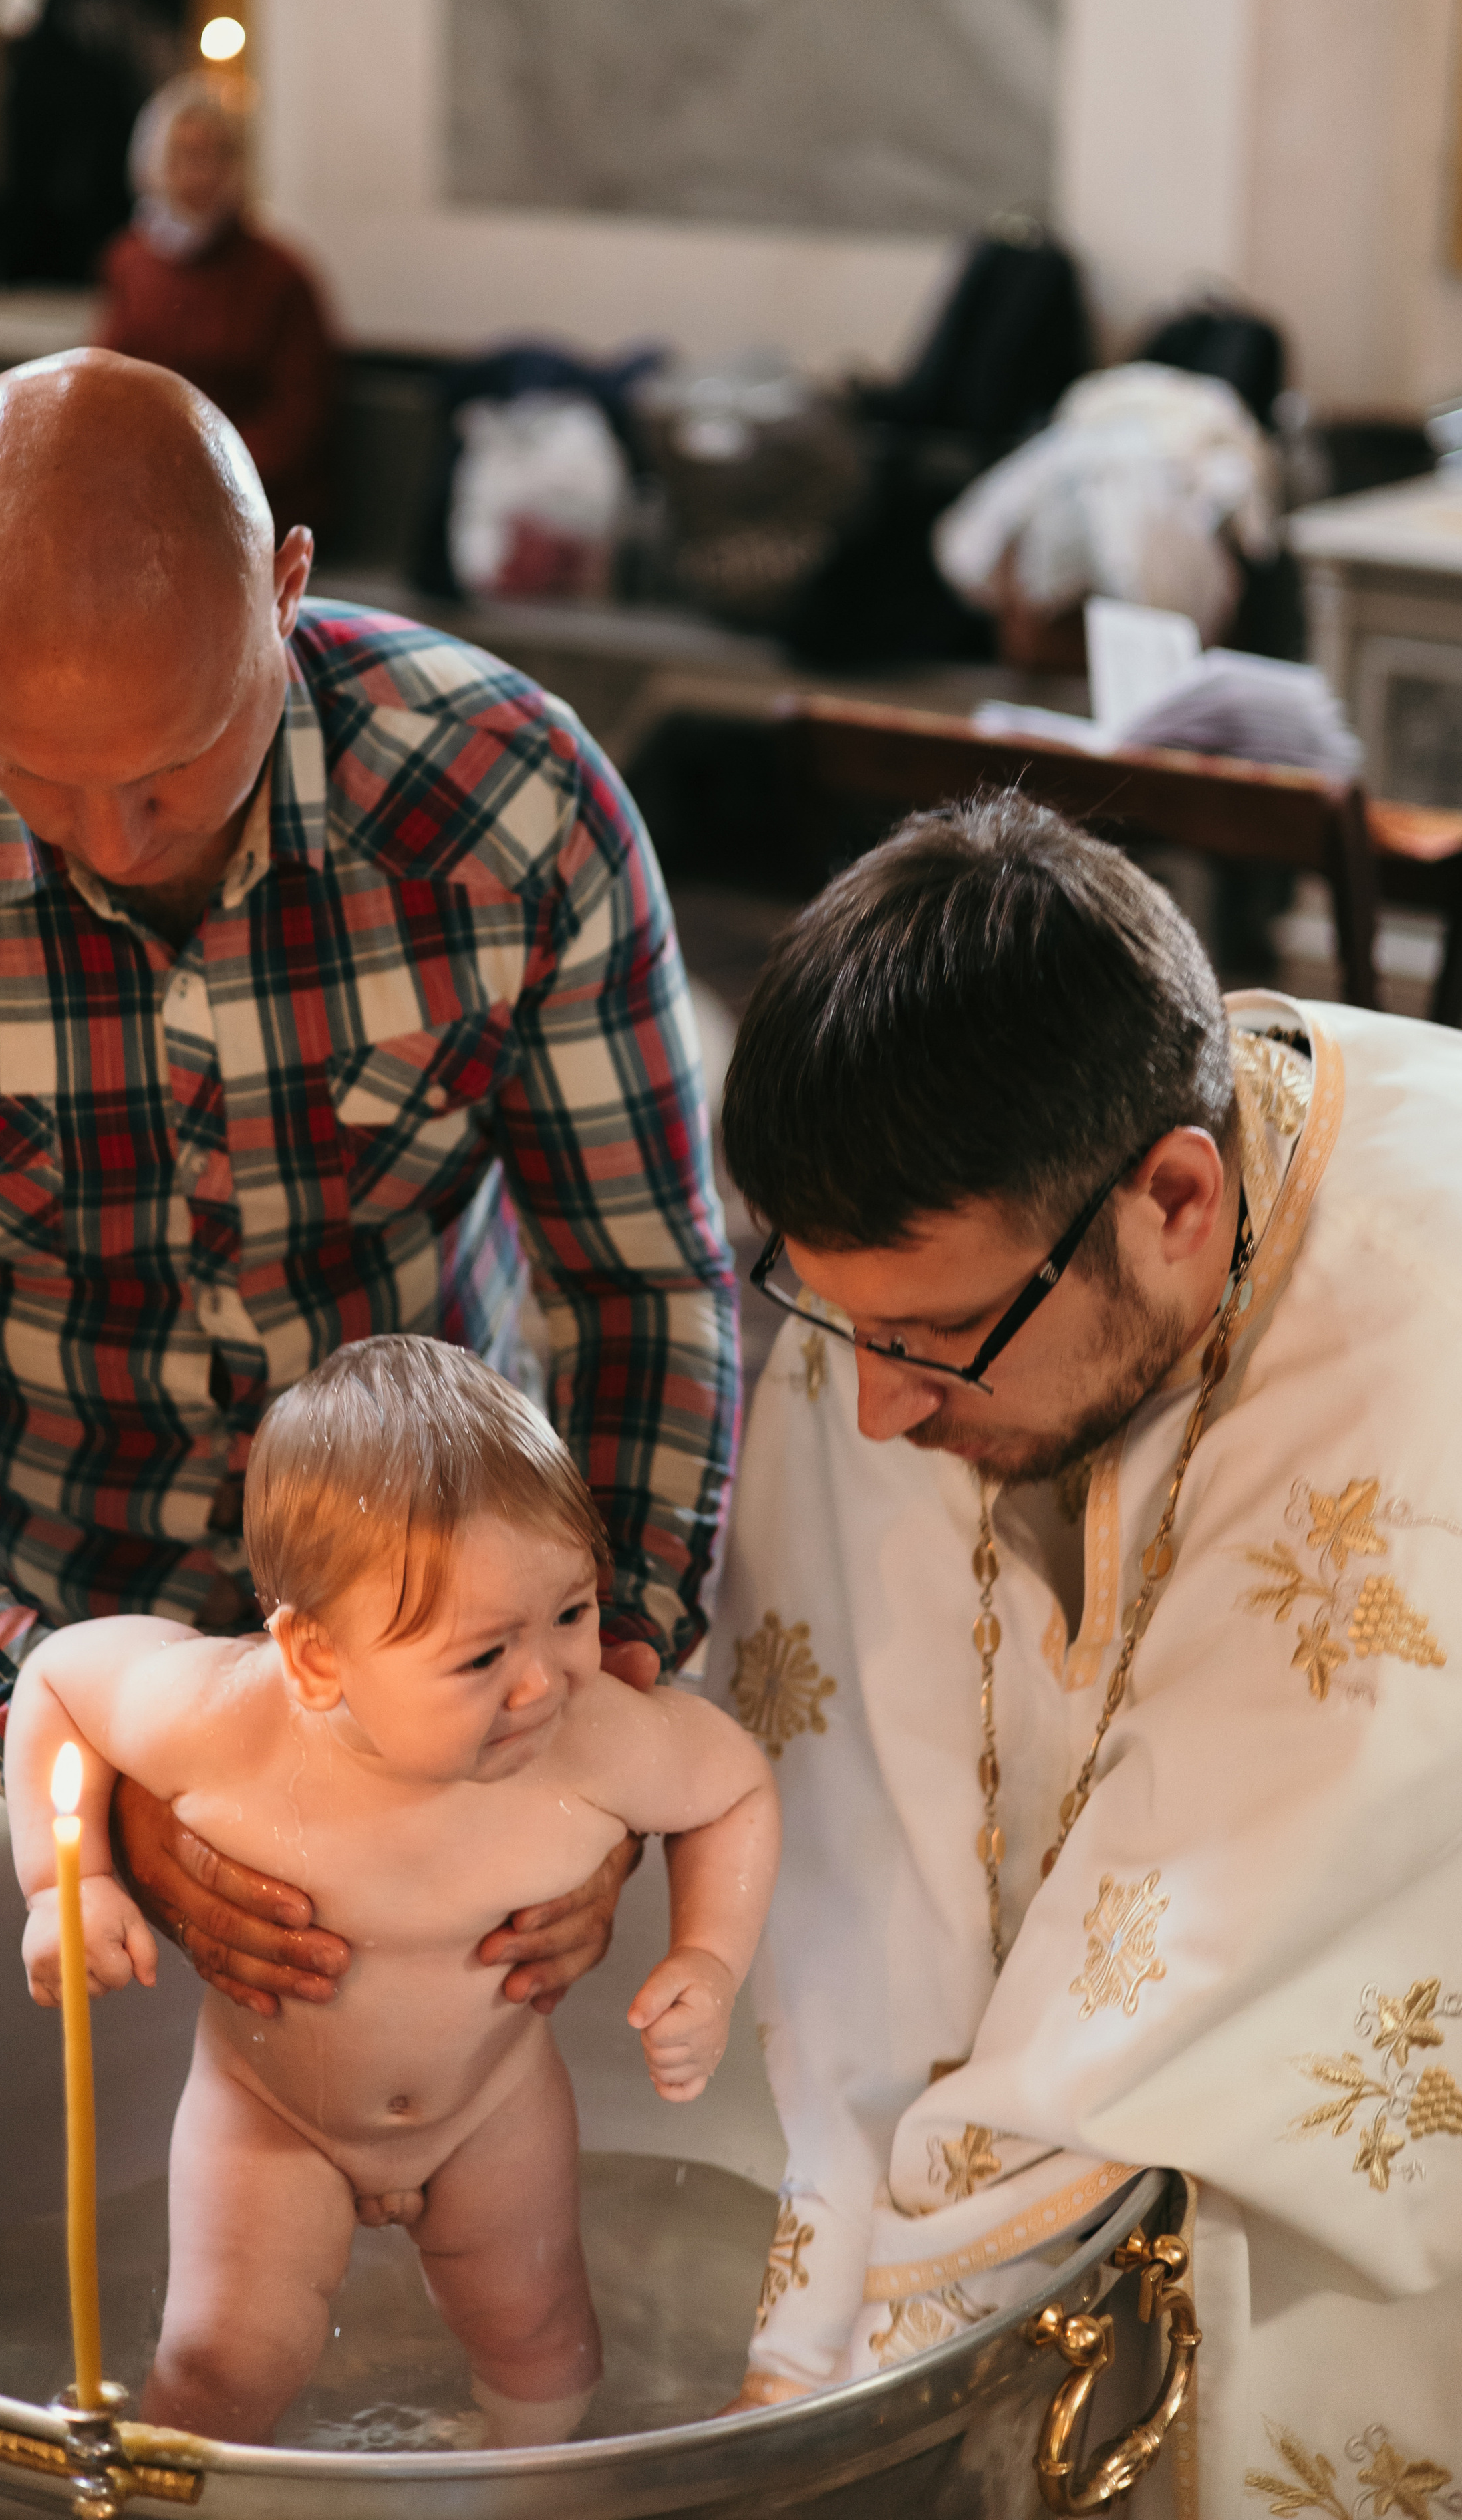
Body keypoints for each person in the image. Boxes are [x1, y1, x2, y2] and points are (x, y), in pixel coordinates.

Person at [0, 349, 737, 2026]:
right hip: (26, 1596)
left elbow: (646, 1290)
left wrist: (592, 1678)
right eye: (34, 774)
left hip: (456, 1645)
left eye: (179, 758)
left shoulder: (513, 808)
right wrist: (66, 1742)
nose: (114, 837)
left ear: (287, 583)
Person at [708, 798, 1461, 2511]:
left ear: (1176, 1198)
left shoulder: (1420, 1360)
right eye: (840, 1324)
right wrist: (804, 2344)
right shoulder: (922, 1262)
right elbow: (850, 1819)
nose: (876, 1401)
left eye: (925, 1341)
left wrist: (875, 2417)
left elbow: (1191, 1963)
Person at [5, 1335, 777, 2447]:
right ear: (315, 1660)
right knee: (222, 2360)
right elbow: (56, 1684)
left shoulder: (595, 1735)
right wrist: (61, 1879)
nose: (546, 1679)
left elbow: (734, 1787)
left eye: (571, 1613)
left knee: (543, 2336)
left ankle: (525, 2488)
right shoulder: (221, 1724)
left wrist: (709, 1954)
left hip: (490, 2106)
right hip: (271, 2115)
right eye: (479, 1658)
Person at [98, 75, 339, 543]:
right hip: (149, 492)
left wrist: (205, 474)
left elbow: (297, 419)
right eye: (183, 156)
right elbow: (108, 383)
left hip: (250, 497)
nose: (198, 175)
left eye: (214, 156)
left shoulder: (281, 276)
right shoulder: (129, 262)